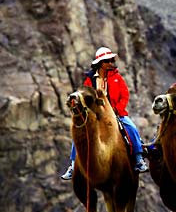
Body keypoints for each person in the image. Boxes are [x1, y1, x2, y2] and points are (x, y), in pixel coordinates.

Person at [61, 47, 149, 180]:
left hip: (116, 113)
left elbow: (124, 95)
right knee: (79, 134)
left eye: (110, 60)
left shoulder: (117, 78)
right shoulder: (90, 79)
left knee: (131, 127)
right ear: (100, 63)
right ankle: (73, 166)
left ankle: (139, 159)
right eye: (107, 61)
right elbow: (85, 95)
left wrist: (117, 110)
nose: (110, 63)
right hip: (95, 115)